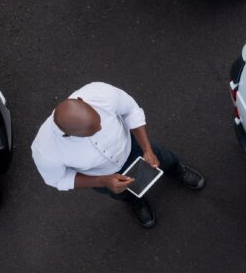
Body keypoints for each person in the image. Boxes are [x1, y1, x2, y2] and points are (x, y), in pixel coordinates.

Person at [31, 82, 204, 228]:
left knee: (164, 158)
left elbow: (131, 111)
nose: (100, 129)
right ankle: (137, 203)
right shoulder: (45, 150)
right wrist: (102, 181)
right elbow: (58, 179)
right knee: (123, 193)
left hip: (132, 146)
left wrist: (147, 149)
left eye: (98, 122)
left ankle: (177, 170)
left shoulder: (100, 92)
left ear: (82, 100)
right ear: (68, 135)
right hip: (102, 175)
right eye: (91, 132)